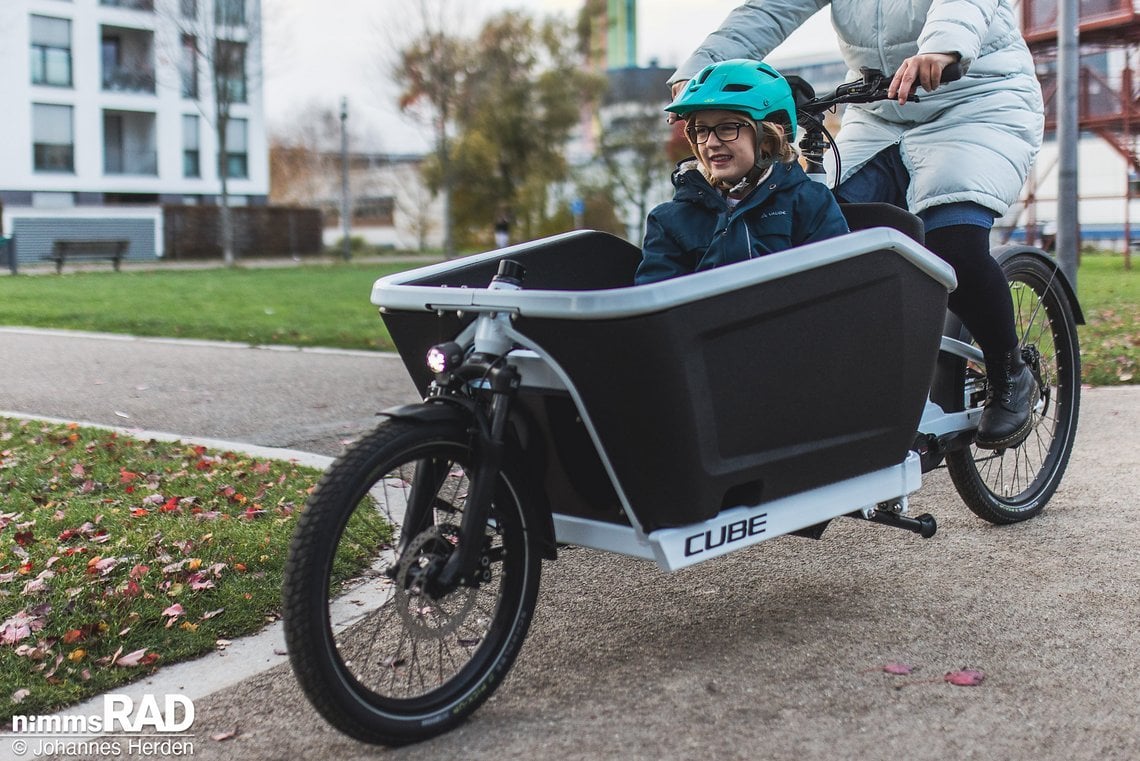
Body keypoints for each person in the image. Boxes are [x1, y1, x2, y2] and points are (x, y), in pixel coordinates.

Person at [668, 0, 1044, 450]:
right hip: (882, 110)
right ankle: (860, 385)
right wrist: (701, 67)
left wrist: (944, 49)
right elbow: (769, 10)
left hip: (977, 101)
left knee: (954, 241)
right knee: (821, 235)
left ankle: (1010, 373)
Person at [636, 59, 848, 285]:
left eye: (727, 128)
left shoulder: (809, 202)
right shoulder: (669, 221)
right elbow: (657, 307)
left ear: (768, 138)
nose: (711, 142)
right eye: (701, 130)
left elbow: (836, 289)